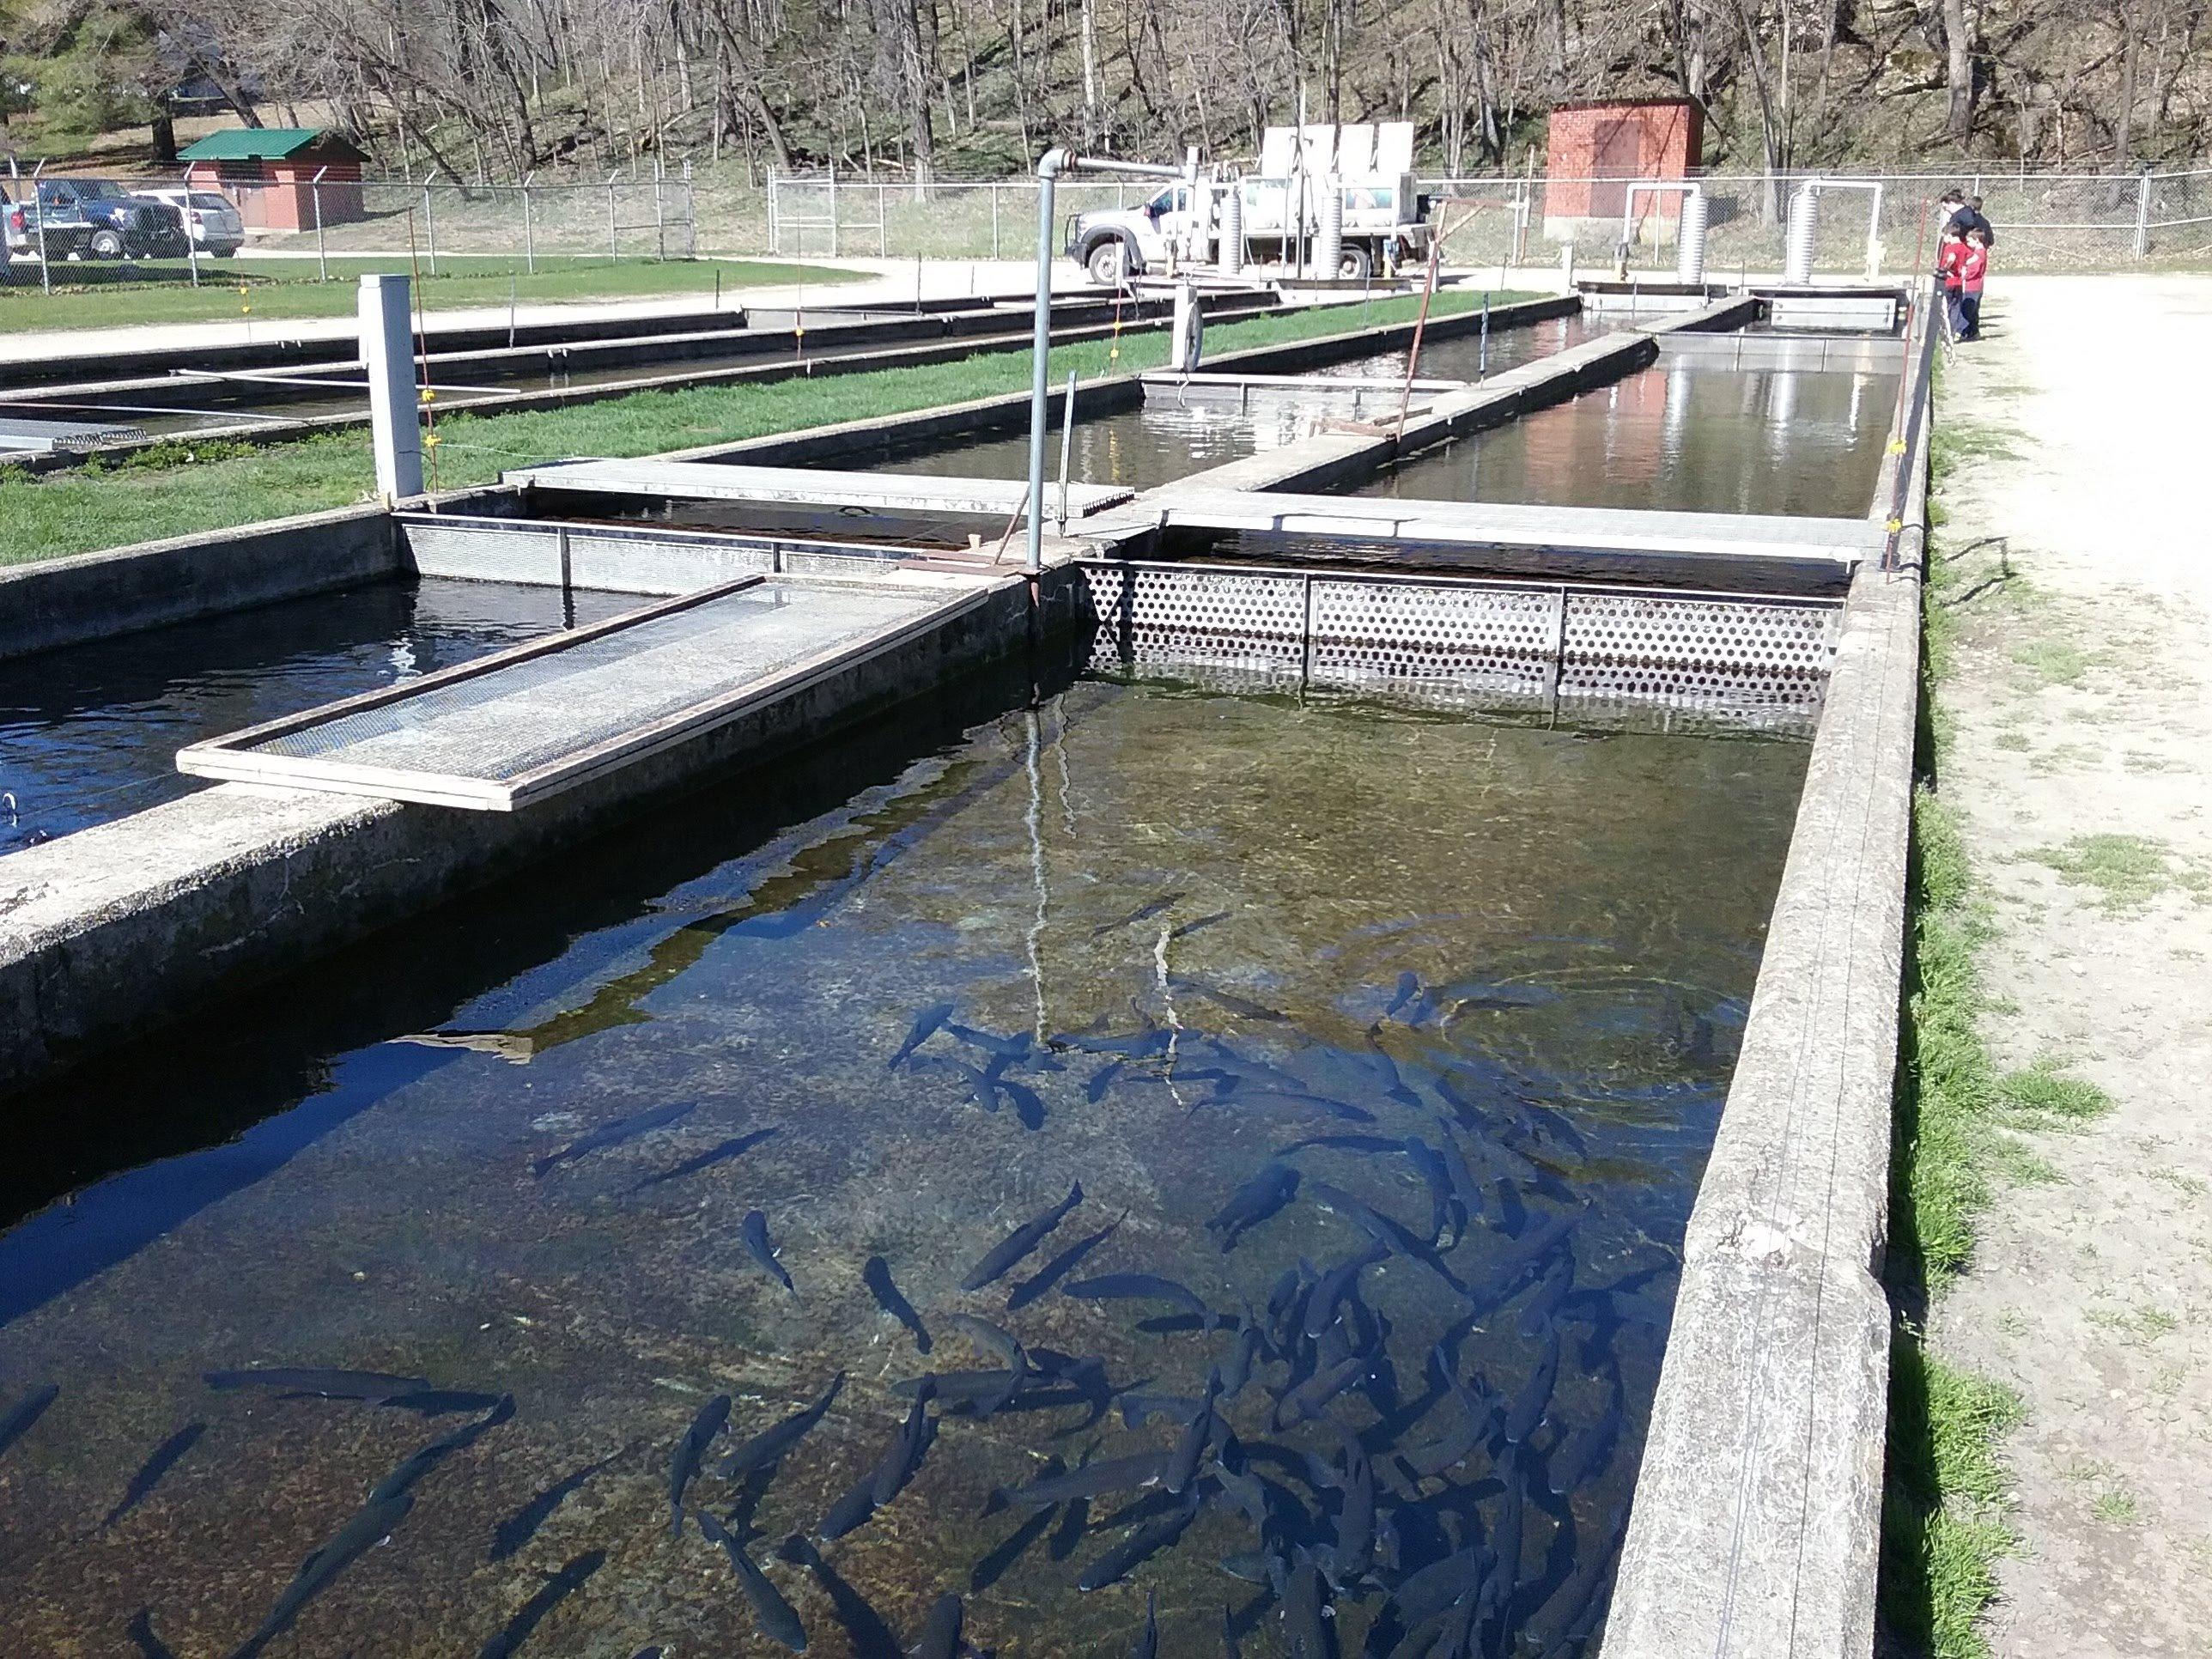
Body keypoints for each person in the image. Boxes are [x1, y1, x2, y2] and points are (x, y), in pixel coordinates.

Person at [1935, 222, 1969, 339]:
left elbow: (1952, 258)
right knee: (1956, 307)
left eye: (1945, 236)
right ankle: (1953, 333)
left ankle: (1944, 331)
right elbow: (1969, 261)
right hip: (1959, 283)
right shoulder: (1964, 248)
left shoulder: (1950, 248)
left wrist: (1946, 268)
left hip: (1948, 281)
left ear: (1950, 235)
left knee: (1945, 307)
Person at [1956, 228, 1990, 340]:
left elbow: (1974, 270)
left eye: (1969, 241)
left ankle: (1960, 332)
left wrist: (1964, 275)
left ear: (1977, 240)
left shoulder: (1978, 254)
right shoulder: (1981, 252)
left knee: (1967, 310)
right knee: (1974, 311)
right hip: (1978, 286)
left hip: (1972, 286)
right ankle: (1974, 332)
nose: (1968, 243)